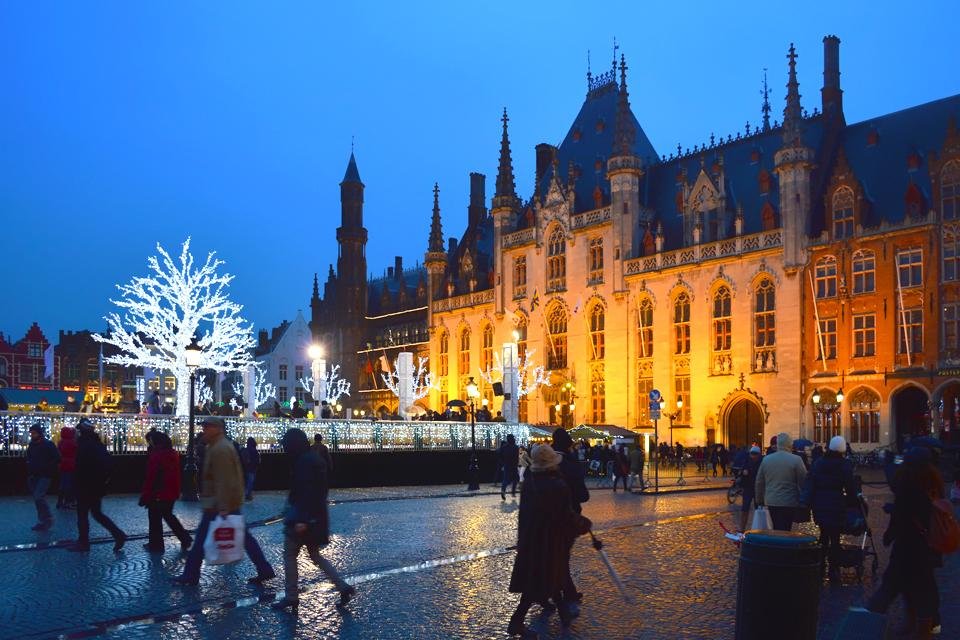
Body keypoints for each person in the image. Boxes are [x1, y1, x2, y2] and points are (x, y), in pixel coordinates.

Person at [173, 417, 275, 586]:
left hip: (218, 504)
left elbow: (224, 479)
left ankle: (191, 574)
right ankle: (264, 569)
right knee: (243, 537)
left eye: (207, 427)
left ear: (217, 428)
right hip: (222, 503)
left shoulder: (220, 448)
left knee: (201, 540)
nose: (203, 430)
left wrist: (223, 506)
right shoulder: (218, 446)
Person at [507, 444, 588, 637]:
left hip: (531, 540)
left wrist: (522, 540)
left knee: (549, 577)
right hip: (551, 541)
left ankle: (563, 614)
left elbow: (524, 516)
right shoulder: (557, 486)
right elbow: (565, 516)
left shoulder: (529, 483)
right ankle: (516, 622)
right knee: (541, 581)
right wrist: (584, 524)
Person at [862, 447, 944, 637]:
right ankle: (923, 625)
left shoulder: (908, 483)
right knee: (920, 586)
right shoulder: (935, 483)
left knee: (891, 586)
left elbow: (904, 514)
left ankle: (867, 624)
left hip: (908, 547)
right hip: (927, 546)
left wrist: (890, 530)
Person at [272, 428, 355, 610]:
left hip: (302, 519)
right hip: (315, 517)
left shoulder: (303, 462)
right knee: (315, 556)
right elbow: (317, 492)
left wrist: (302, 519)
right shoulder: (313, 459)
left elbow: (306, 493)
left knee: (290, 556)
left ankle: (291, 596)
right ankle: (342, 586)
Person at [800, 435, 857, 584]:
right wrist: (853, 501)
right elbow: (850, 486)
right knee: (835, 538)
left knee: (824, 535)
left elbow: (811, 481)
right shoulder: (844, 464)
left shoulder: (819, 463)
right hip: (836, 504)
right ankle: (834, 568)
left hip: (820, 504)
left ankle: (820, 565)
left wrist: (808, 501)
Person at [69, 418, 127, 552]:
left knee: (83, 514)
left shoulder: (84, 445)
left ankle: (83, 542)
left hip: (85, 485)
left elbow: (81, 467)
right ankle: (118, 534)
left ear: (82, 431)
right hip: (96, 486)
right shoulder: (97, 444)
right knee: (97, 513)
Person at [551, 428, 589, 605]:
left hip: (547, 519)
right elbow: (582, 495)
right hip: (567, 518)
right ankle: (563, 593)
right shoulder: (569, 464)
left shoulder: (544, 463)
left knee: (555, 556)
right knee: (561, 557)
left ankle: (566, 592)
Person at [140, 431, 193, 553]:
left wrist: (146, 494)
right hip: (170, 491)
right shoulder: (172, 454)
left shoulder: (157, 455)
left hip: (158, 492)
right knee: (168, 516)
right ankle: (185, 539)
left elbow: (151, 476)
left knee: (155, 518)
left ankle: (156, 544)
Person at [755, 432, 808, 531]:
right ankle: (785, 543)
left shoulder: (766, 459)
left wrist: (759, 500)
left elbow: (759, 482)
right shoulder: (796, 460)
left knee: (776, 525)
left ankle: (776, 543)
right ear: (789, 444)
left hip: (771, 500)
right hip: (790, 501)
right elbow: (803, 481)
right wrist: (804, 499)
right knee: (787, 526)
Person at [26, 423, 59, 531]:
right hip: (35, 474)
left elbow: (57, 458)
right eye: (31, 433)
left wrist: (47, 468)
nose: (32, 435)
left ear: (39, 433)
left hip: (45, 474)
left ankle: (47, 518)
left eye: (33, 433)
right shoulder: (33, 444)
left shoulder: (47, 444)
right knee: (38, 498)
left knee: (38, 497)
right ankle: (43, 520)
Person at [738, 446, 763, 532]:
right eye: (752, 454)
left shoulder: (761, 462)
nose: (753, 456)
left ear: (759, 455)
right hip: (748, 488)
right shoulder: (747, 461)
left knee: (758, 509)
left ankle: (758, 528)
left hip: (758, 488)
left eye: (755, 454)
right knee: (745, 508)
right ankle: (742, 528)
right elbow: (742, 473)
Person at [56, 425, 78, 509]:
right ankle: (69, 501)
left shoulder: (61, 442)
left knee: (63, 483)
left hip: (63, 465)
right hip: (71, 465)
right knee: (70, 484)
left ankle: (60, 501)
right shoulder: (72, 442)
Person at [499, 434, 521, 500]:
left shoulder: (504, 447)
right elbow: (517, 457)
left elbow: (500, 455)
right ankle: (513, 492)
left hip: (507, 464)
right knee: (515, 479)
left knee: (505, 479)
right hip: (513, 465)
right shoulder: (516, 447)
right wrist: (516, 464)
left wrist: (503, 463)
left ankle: (503, 490)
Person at [241, 437, 260, 501]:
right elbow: (257, 459)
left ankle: (247, 494)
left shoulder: (246, 449)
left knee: (248, 481)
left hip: (247, 467)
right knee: (250, 481)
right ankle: (248, 494)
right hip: (252, 467)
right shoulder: (254, 449)